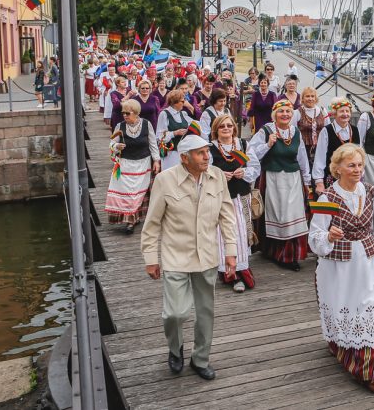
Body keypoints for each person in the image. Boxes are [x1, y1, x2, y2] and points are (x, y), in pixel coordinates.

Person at [141, 134, 237, 379]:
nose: (207, 156)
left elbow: (227, 216)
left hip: (206, 255)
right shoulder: (165, 180)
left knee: (206, 311)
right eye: (200, 153)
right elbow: (152, 223)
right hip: (175, 255)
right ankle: (175, 349)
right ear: (184, 158)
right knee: (175, 313)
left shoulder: (217, 178)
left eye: (208, 151)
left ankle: (200, 359)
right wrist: (151, 258)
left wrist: (231, 252)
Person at [309, 143, 374, 393]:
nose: (357, 170)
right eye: (351, 165)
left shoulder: (369, 192)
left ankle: (367, 370)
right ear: (338, 169)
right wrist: (329, 237)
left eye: (360, 165)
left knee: (367, 308)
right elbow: (314, 236)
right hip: (338, 265)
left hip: (365, 260)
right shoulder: (327, 197)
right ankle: (340, 347)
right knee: (342, 305)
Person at [249, 99, 312, 270]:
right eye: (281, 111)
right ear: (274, 114)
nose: (285, 114)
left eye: (288, 111)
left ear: (292, 115)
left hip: (293, 179)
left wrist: (307, 181)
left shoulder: (296, 132)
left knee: (292, 215)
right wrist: (268, 144)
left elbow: (302, 159)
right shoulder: (266, 130)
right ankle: (275, 252)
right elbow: (252, 153)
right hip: (272, 178)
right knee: (278, 214)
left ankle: (290, 255)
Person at [209, 114, 259, 293]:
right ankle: (230, 274)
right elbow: (204, 172)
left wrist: (244, 173)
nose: (226, 129)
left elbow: (255, 168)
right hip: (222, 198)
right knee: (224, 234)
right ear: (216, 129)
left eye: (229, 126)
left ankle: (242, 267)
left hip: (241, 196)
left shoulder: (243, 145)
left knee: (242, 233)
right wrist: (219, 175)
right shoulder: (210, 149)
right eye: (222, 126)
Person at [106, 99, 161, 234]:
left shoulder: (147, 125)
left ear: (136, 113)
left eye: (127, 113)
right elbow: (111, 143)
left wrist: (156, 161)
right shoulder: (120, 126)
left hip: (143, 164)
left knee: (138, 194)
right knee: (128, 194)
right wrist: (116, 146)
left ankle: (133, 219)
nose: (124, 115)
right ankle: (130, 220)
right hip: (125, 164)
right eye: (123, 112)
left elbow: (153, 144)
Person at [313, 98, 360, 195]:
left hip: (351, 177)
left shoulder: (355, 130)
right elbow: (319, 158)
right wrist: (319, 182)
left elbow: (359, 156)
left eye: (347, 111)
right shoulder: (327, 131)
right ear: (334, 114)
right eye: (341, 111)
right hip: (332, 178)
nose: (345, 114)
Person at [155, 90, 195, 171]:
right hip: (170, 154)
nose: (184, 103)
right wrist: (175, 133)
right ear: (175, 102)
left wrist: (191, 107)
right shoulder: (164, 114)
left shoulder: (183, 114)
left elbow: (197, 125)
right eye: (182, 101)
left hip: (183, 152)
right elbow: (159, 137)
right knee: (171, 179)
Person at [292, 87, 328, 171]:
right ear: (303, 98)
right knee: (306, 170)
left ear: (316, 98)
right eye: (307, 96)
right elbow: (293, 131)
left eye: (312, 96)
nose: (310, 99)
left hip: (320, 146)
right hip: (303, 147)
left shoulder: (322, 111)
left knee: (320, 169)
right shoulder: (297, 112)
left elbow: (327, 128)